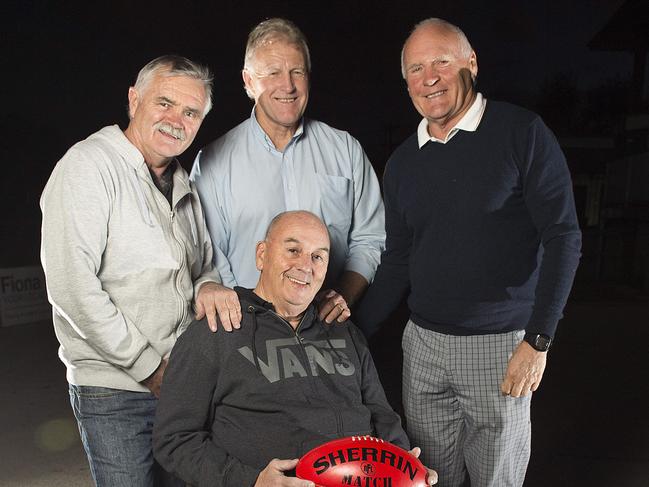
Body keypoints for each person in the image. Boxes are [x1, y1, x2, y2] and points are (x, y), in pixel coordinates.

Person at [355, 18, 582, 487]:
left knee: (496, 480)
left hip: (500, 343)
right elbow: (398, 259)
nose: (429, 77)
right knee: (428, 478)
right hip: (422, 347)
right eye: (416, 68)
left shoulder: (522, 132)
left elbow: (563, 236)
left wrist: (538, 339)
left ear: (471, 63)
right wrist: (352, 332)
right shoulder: (401, 163)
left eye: (441, 61)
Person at [40, 55, 237, 487]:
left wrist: (208, 287)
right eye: (164, 103)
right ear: (134, 100)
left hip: (179, 385)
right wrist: (150, 368)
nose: (175, 121)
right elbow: (72, 287)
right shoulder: (88, 167)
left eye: (190, 112)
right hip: (114, 390)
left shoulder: (181, 180)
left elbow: (203, 266)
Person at [153, 211, 438, 487]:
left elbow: (381, 414)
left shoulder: (344, 330)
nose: (305, 266)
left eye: (318, 256)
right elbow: (175, 439)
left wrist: (403, 464)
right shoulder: (217, 330)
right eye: (293, 250)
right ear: (262, 255)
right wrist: (250, 481)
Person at [190, 18, 385, 330]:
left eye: (297, 71)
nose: (288, 86)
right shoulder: (213, 163)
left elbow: (370, 237)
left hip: (332, 329)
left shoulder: (345, 149)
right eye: (273, 73)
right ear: (248, 81)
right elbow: (209, 257)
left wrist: (342, 296)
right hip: (247, 331)